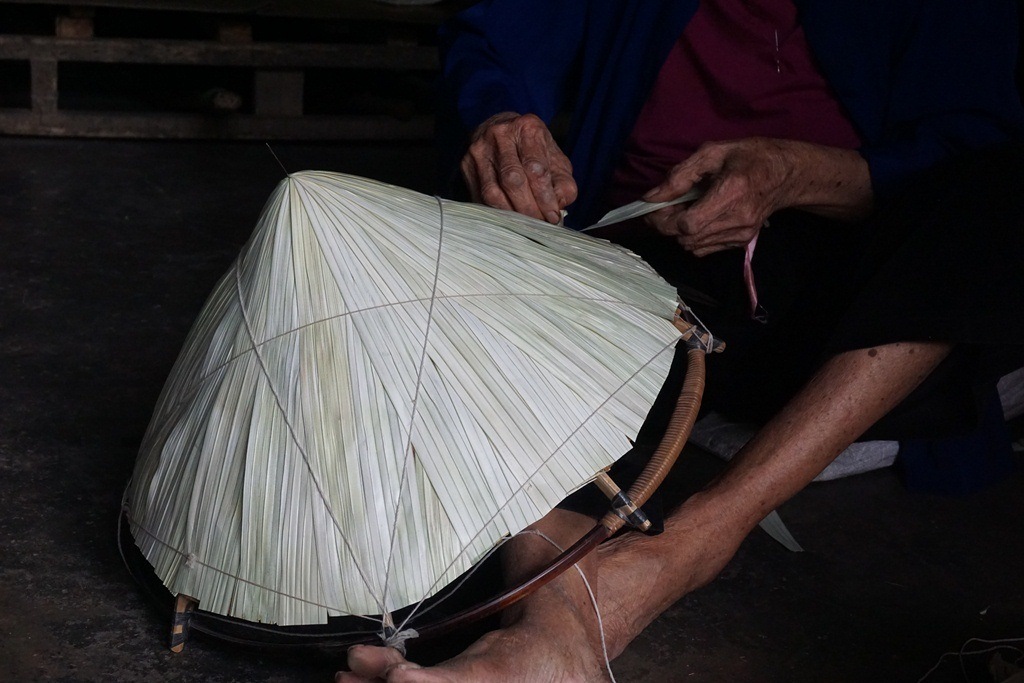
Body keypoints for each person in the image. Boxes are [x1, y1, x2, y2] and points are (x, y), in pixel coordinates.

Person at [337, 1, 1024, 680]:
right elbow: (497, 35)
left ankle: (685, 550)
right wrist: (498, 122)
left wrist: (793, 173)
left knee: (1000, 191)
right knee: (447, 294)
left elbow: (974, 134)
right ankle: (554, 617)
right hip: (646, 277)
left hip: (855, 319)